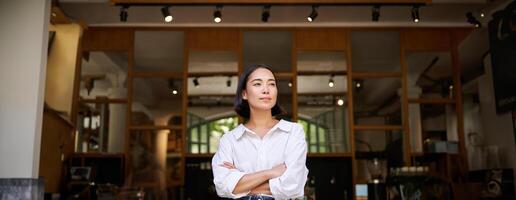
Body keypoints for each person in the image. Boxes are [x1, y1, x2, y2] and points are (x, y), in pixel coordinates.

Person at [212, 64, 309, 200]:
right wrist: (270, 173)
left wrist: (241, 183)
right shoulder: (230, 139)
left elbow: (293, 185)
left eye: (271, 84)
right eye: (257, 84)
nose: (266, 90)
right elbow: (222, 186)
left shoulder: (293, 132)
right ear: (244, 93)